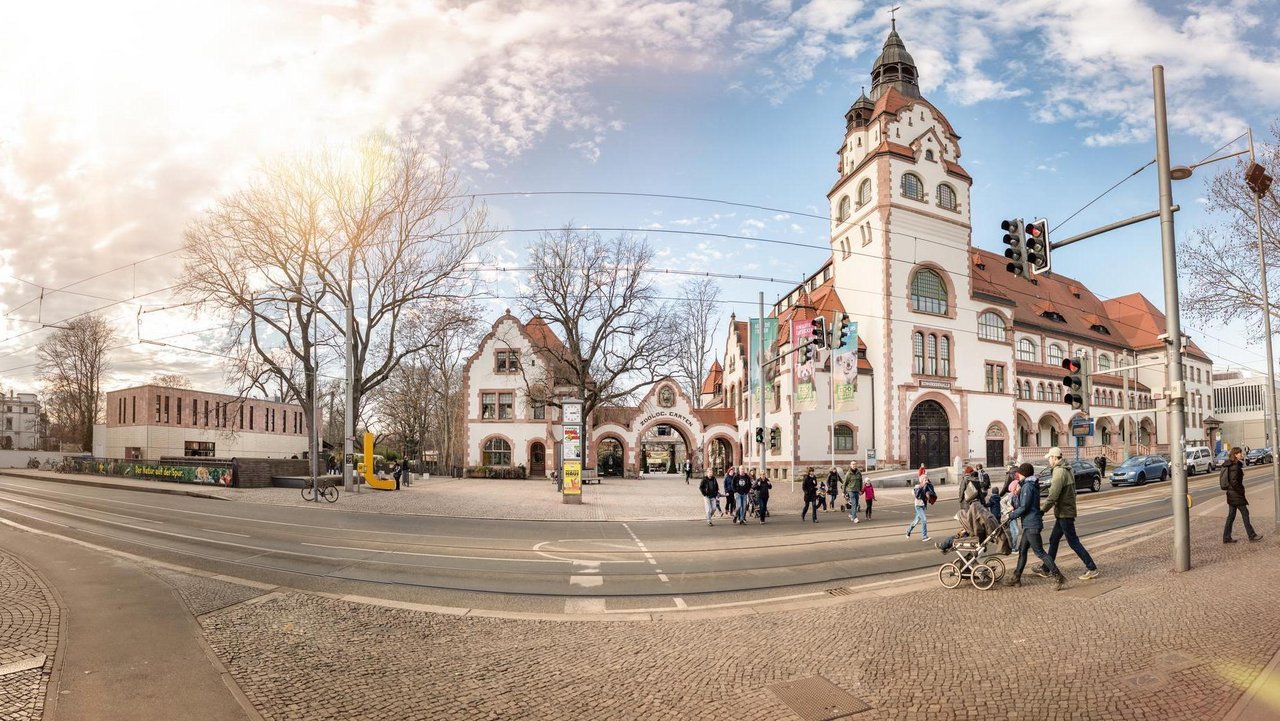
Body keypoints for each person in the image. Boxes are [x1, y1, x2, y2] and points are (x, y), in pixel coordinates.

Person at [1035, 447, 1099, 580]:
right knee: (1054, 539)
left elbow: (1053, 495)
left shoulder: (1059, 472)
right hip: (1064, 512)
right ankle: (1047, 568)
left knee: (1073, 541)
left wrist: (1042, 510)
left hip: (1065, 512)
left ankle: (1091, 567)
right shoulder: (1067, 469)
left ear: (1054, 458)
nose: (1048, 461)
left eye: (1049, 458)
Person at [1003, 463, 1066, 589]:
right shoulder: (1029, 485)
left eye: (1019, 473)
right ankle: (1017, 577)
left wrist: (1011, 515)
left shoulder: (1027, 487)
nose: (1018, 475)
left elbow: (1024, 507)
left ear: (1023, 474)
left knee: (1040, 552)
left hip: (1032, 524)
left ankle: (1058, 576)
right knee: (1022, 550)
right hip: (1029, 524)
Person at [1222, 446, 1263, 544]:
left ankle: (1226, 537)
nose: (1242, 454)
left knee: (1231, 516)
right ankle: (1252, 535)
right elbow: (1234, 481)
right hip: (1236, 494)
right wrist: (1241, 490)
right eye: (1240, 453)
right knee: (1245, 513)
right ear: (1235, 455)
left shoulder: (1230, 464)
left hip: (1231, 494)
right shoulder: (1235, 466)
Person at [906, 473, 931, 541]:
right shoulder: (917, 487)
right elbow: (916, 495)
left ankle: (908, 531)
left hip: (923, 506)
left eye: (927, 479)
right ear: (922, 480)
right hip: (918, 506)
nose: (927, 480)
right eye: (925, 479)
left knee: (916, 521)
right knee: (924, 520)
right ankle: (924, 536)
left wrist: (928, 496)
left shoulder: (927, 487)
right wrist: (921, 487)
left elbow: (928, 497)